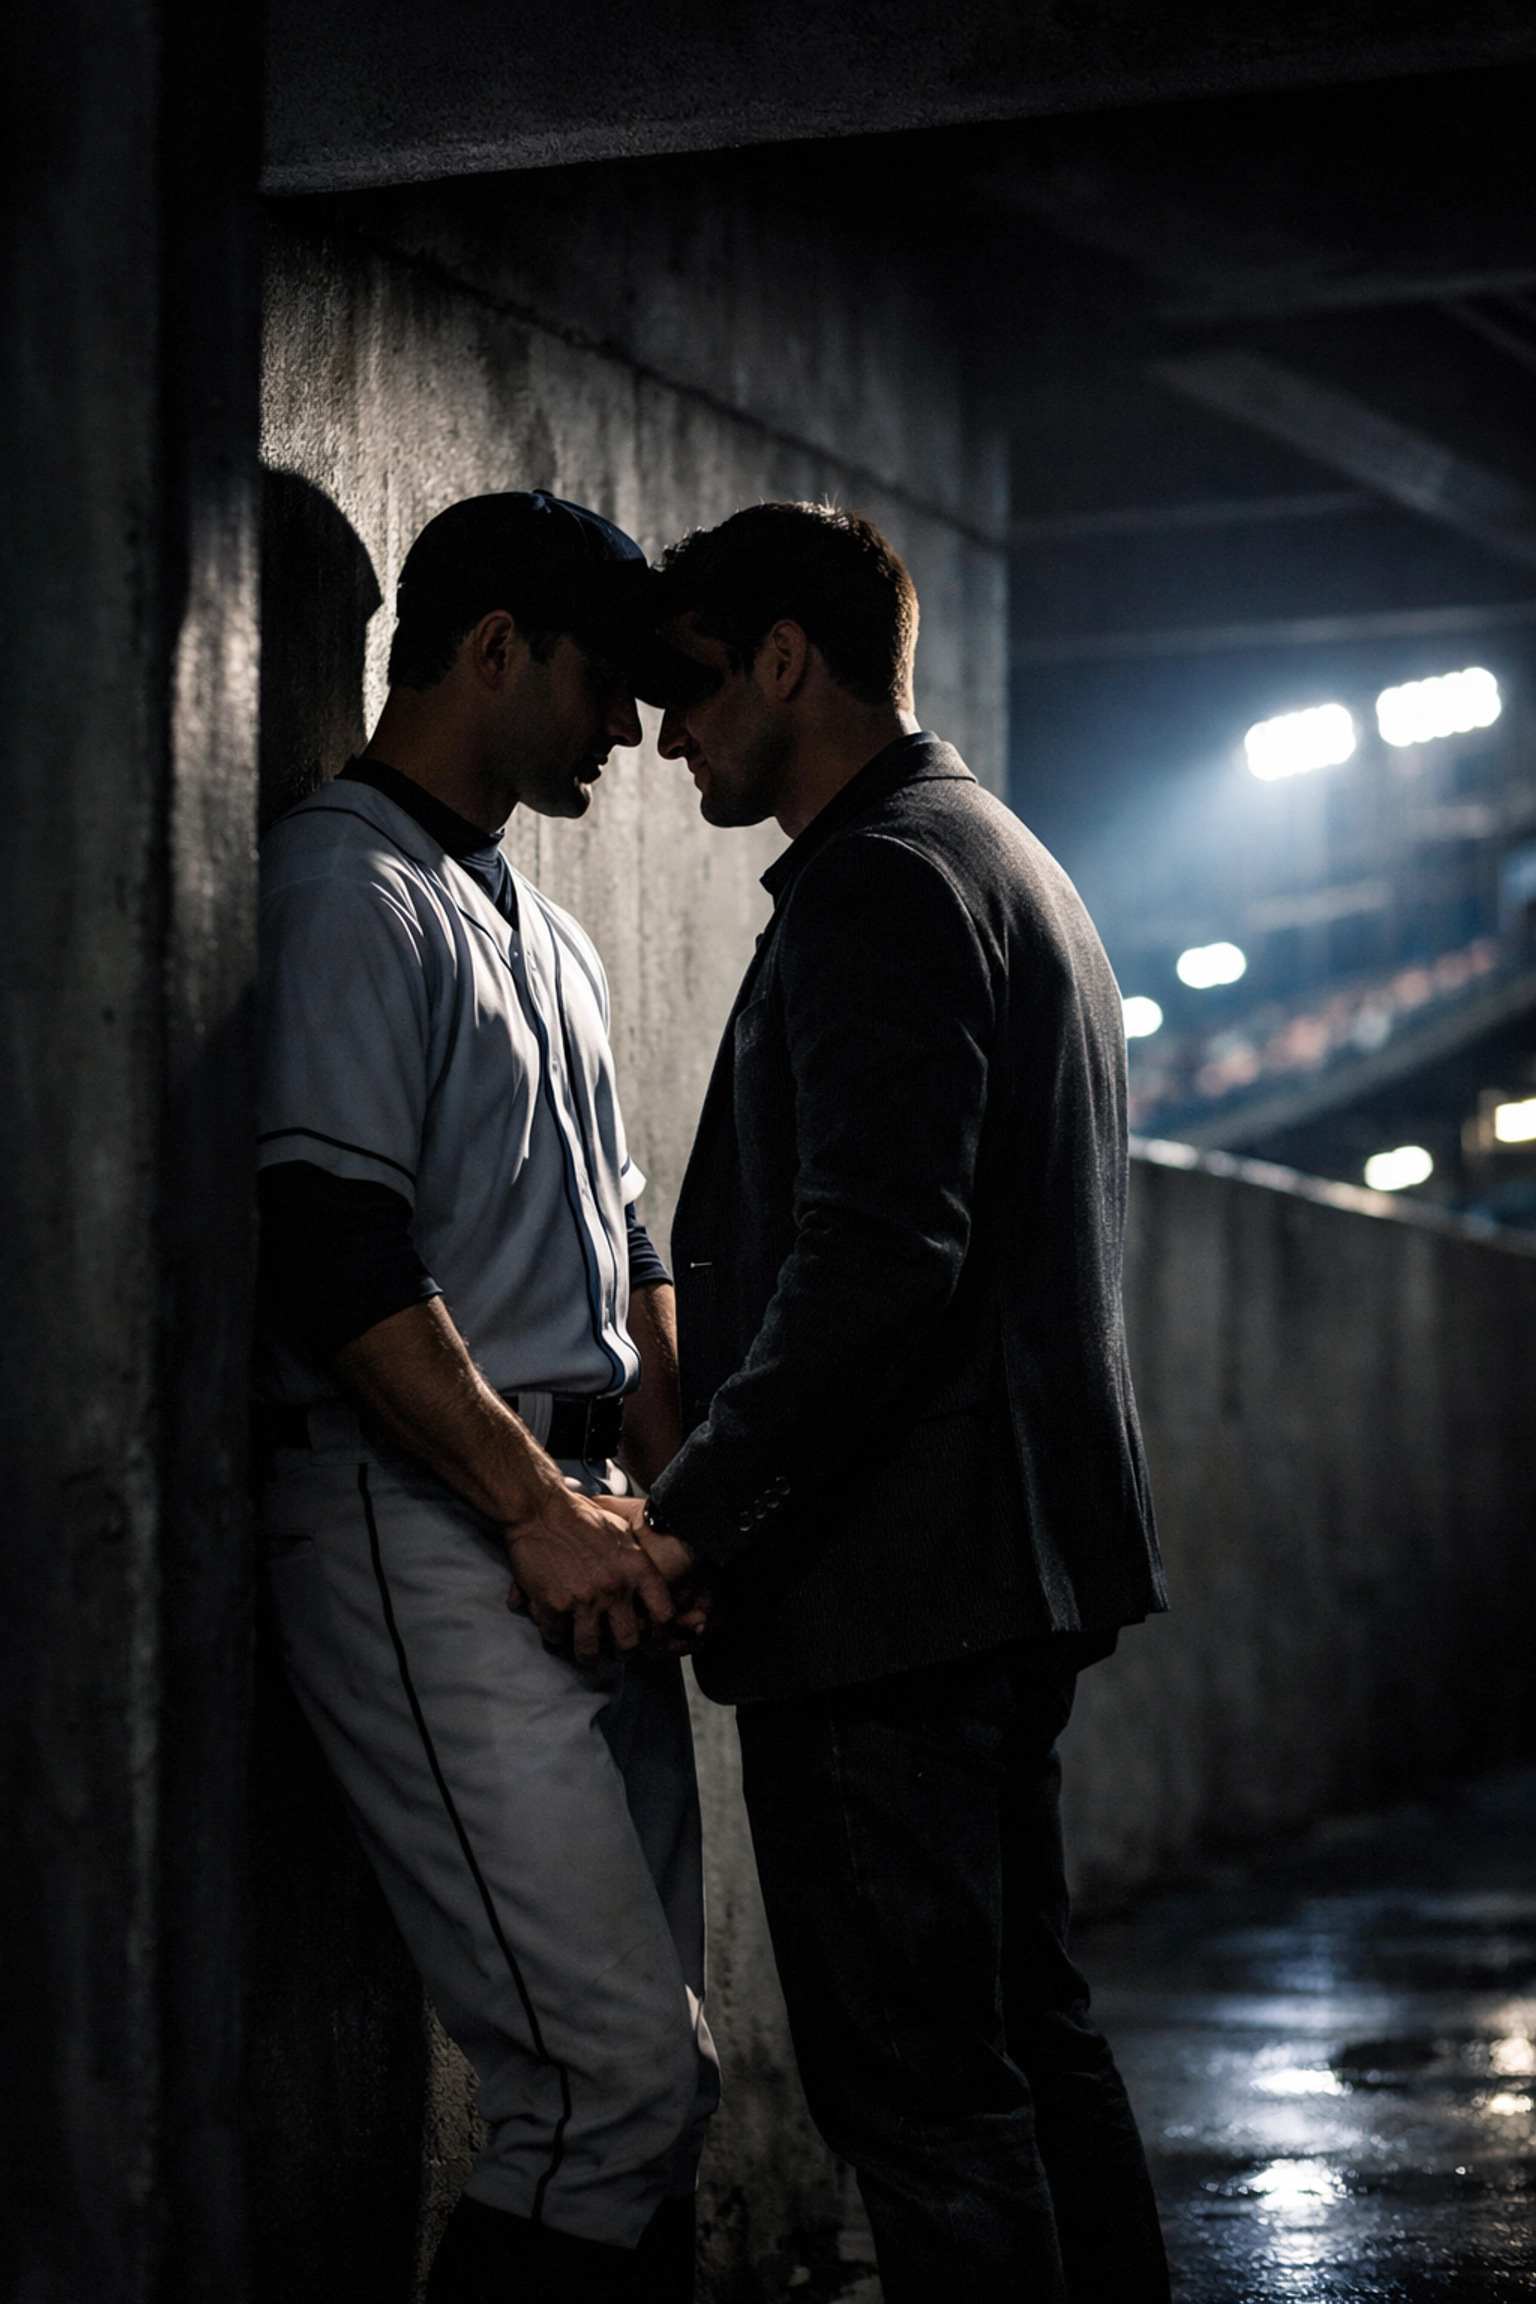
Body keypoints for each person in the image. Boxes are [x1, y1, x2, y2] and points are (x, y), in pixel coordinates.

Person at [634, 502, 1172, 2303]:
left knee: (925, 2103)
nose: (663, 732)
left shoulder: (884, 878)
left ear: (789, 655)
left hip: (891, 1600)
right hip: (991, 1572)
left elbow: (876, 1259)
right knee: (1025, 2041)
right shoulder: (1002, 854)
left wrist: (698, 1509)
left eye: (692, 684)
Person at [252, 491, 718, 2304]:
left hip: (591, 1535)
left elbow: (632, 1246)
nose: (628, 727)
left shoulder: (549, 923)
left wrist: (670, 1504)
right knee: (609, 2089)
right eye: (606, 681)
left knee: (643, 2098)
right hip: (431, 1523)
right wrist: (536, 1507)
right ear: (494, 645)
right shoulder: (341, 886)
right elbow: (329, 1241)